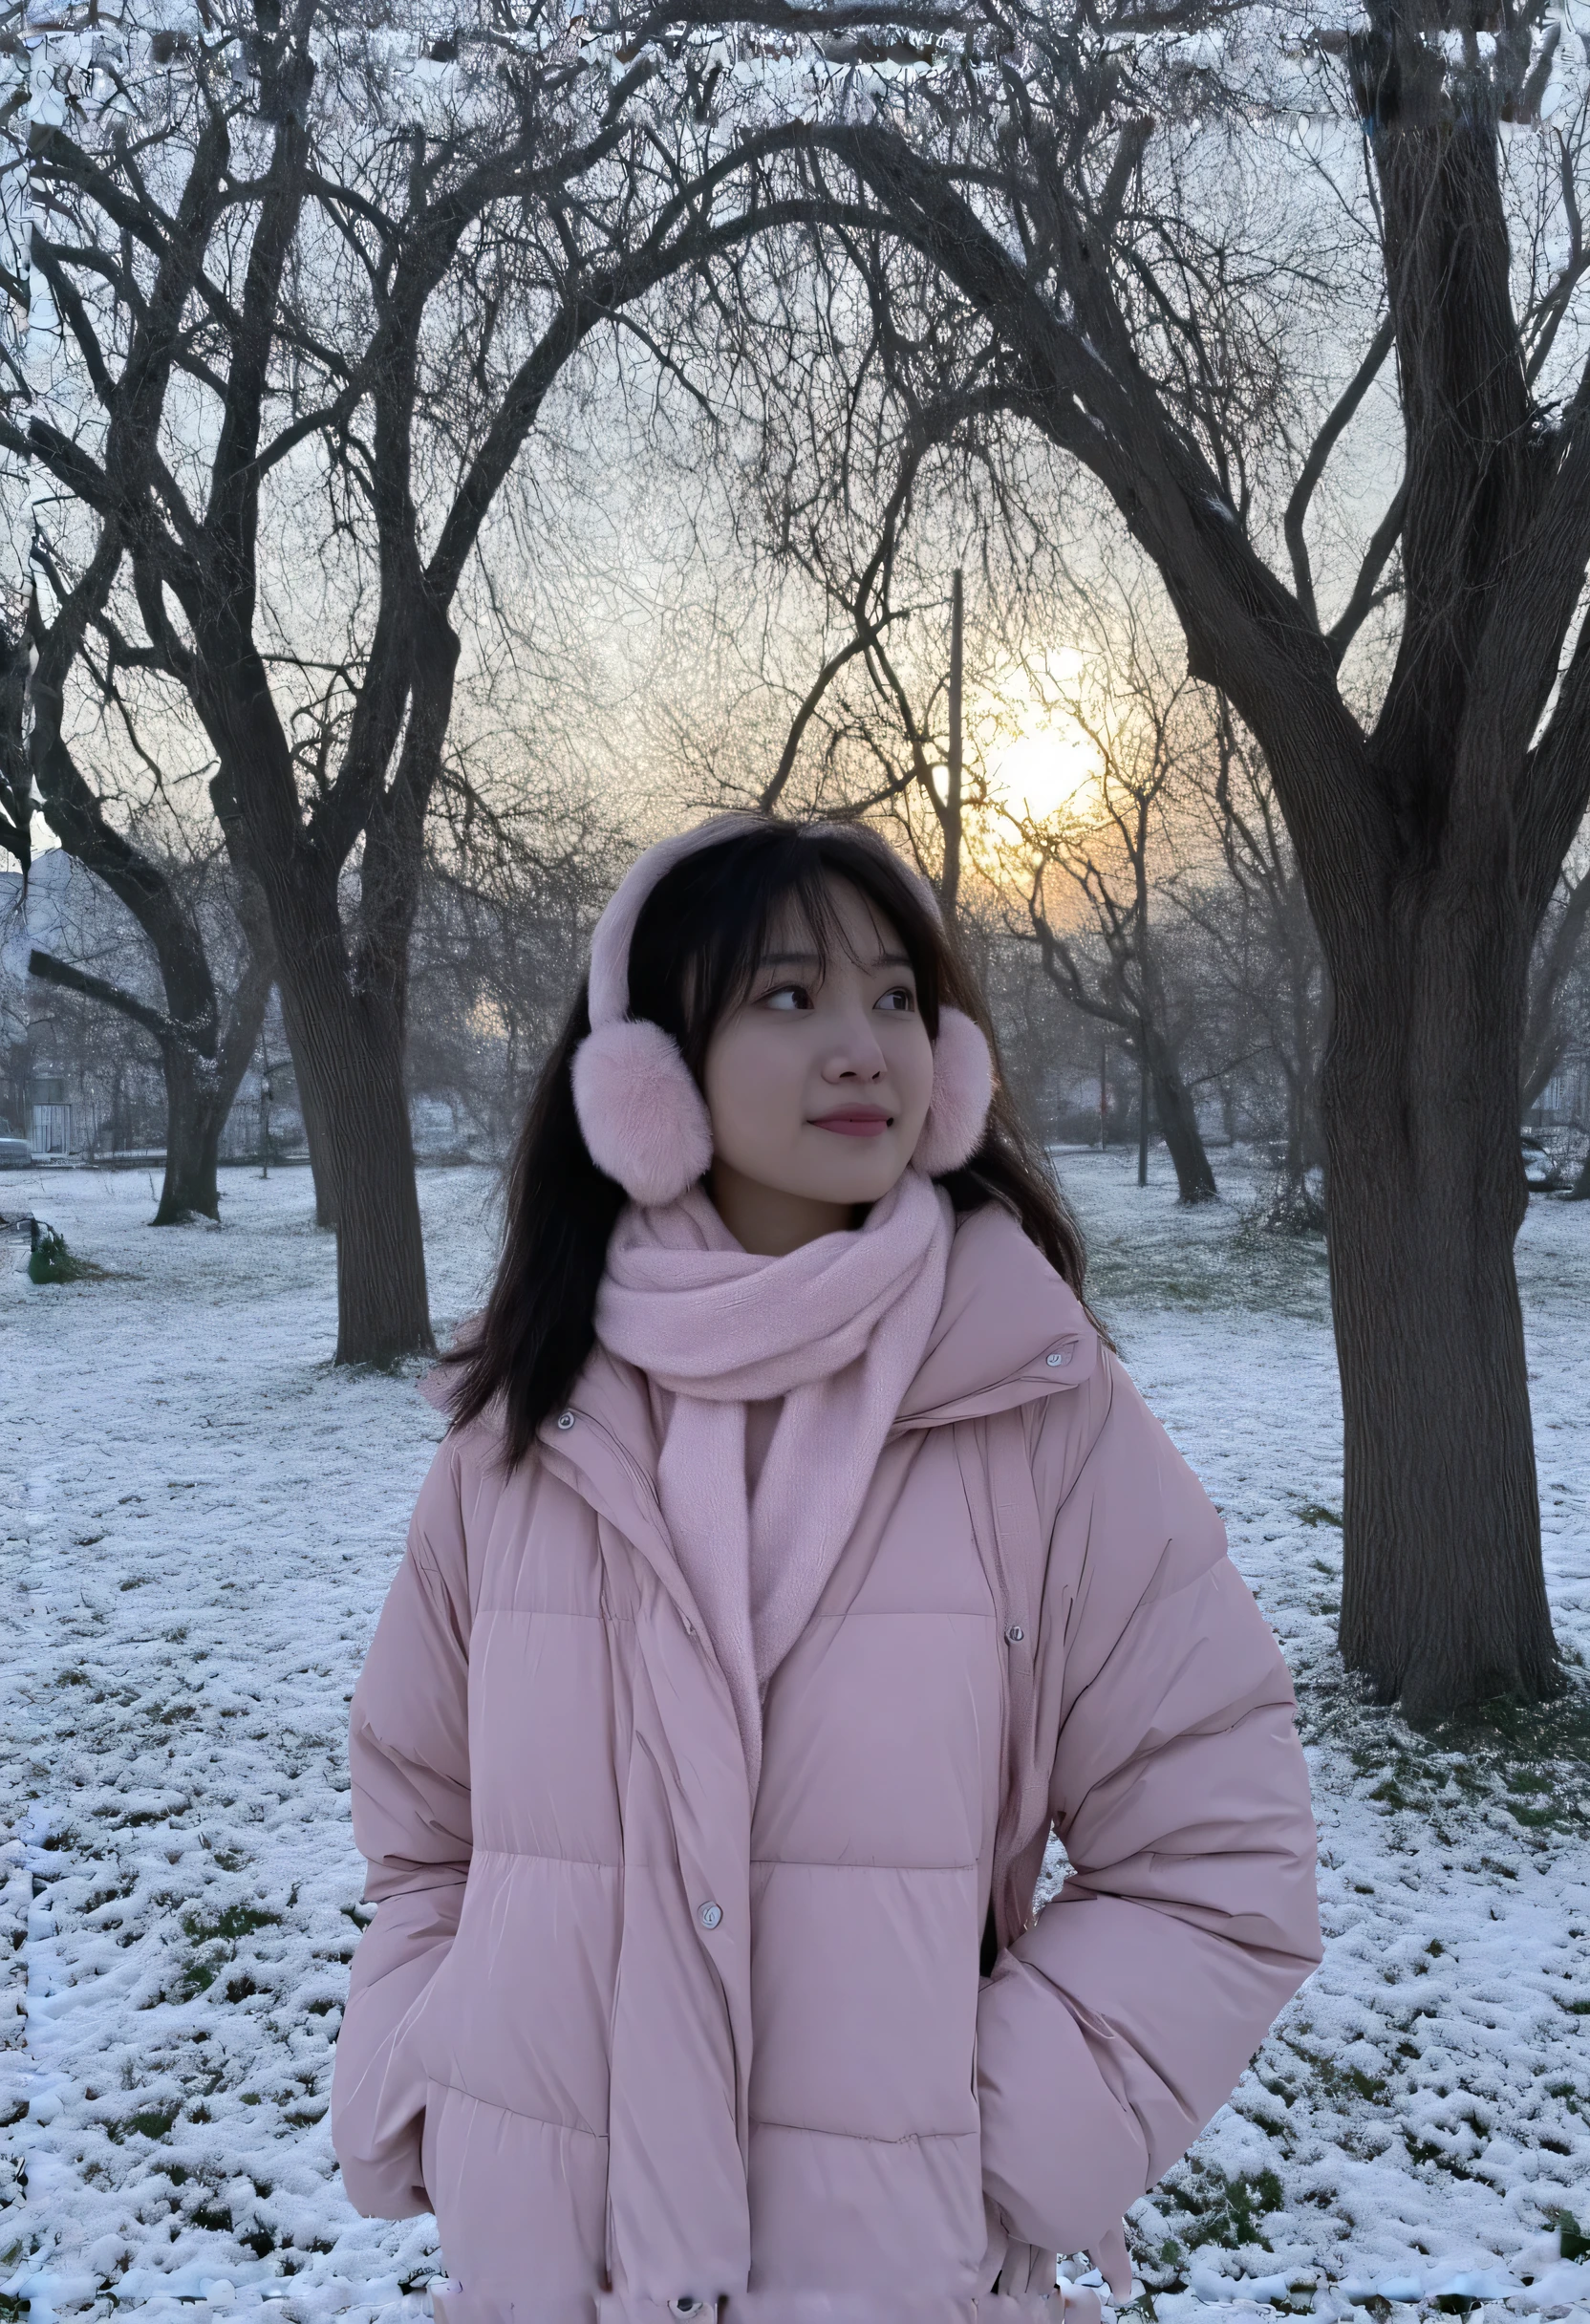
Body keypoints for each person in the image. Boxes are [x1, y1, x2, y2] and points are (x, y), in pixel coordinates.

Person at [331, 815, 1321, 2324]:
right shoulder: (527, 1422)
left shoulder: (1033, 1402)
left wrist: (991, 2148)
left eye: (899, 1001)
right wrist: (434, 2070)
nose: (864, 1047)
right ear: (647, 1076)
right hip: (547, 2273)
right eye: (789, 998)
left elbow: (1218, 1853)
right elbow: (424, 1828)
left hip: (889, 2279)